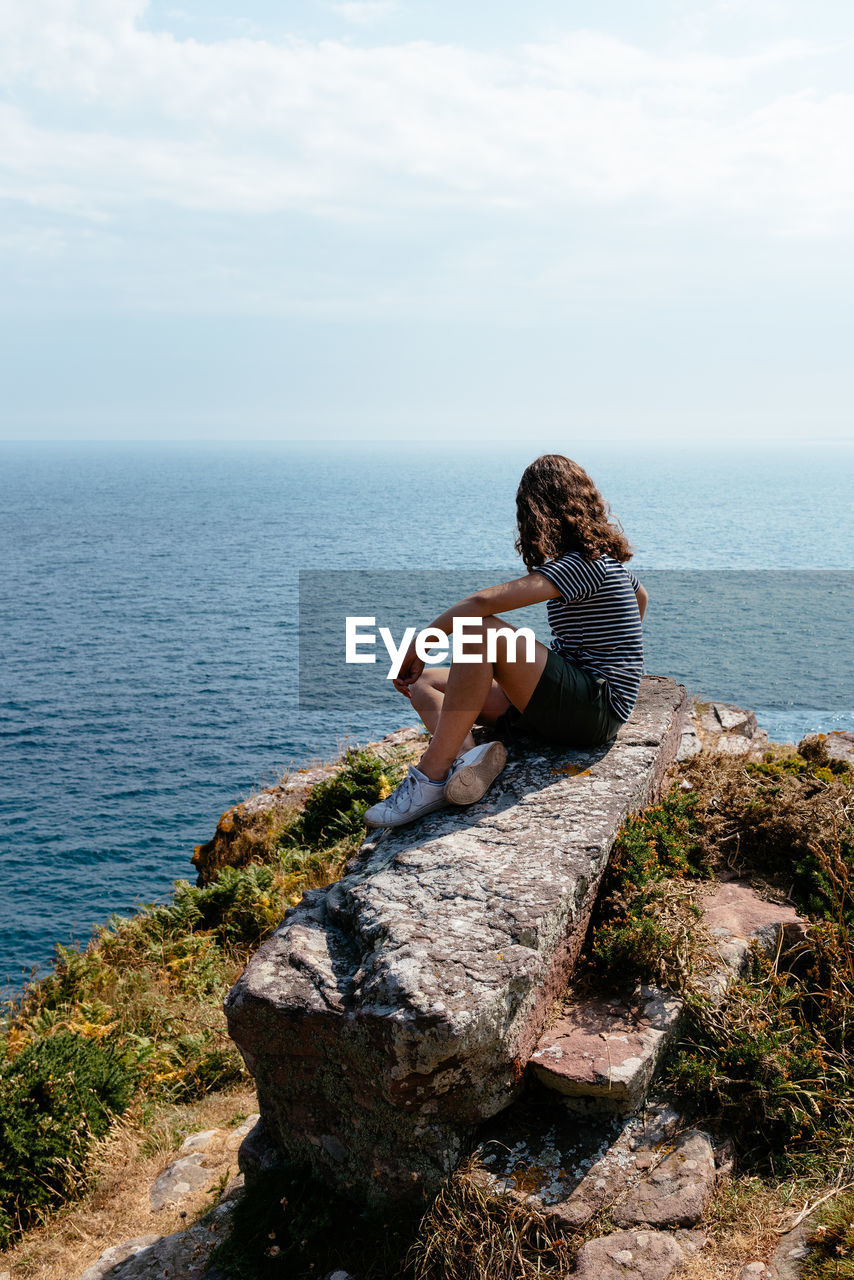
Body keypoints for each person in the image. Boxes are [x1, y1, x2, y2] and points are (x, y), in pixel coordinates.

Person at [364, 454, 648, 829]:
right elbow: (641, 599)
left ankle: (430, 778)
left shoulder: (583, 565)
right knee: (423, 682)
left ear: (538, 512)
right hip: (569, 708)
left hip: (593, 711)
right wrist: (614, 653)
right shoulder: (611, 567)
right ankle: (465, 761)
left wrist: (419, 644)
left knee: (479, 630)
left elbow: (482, 603)